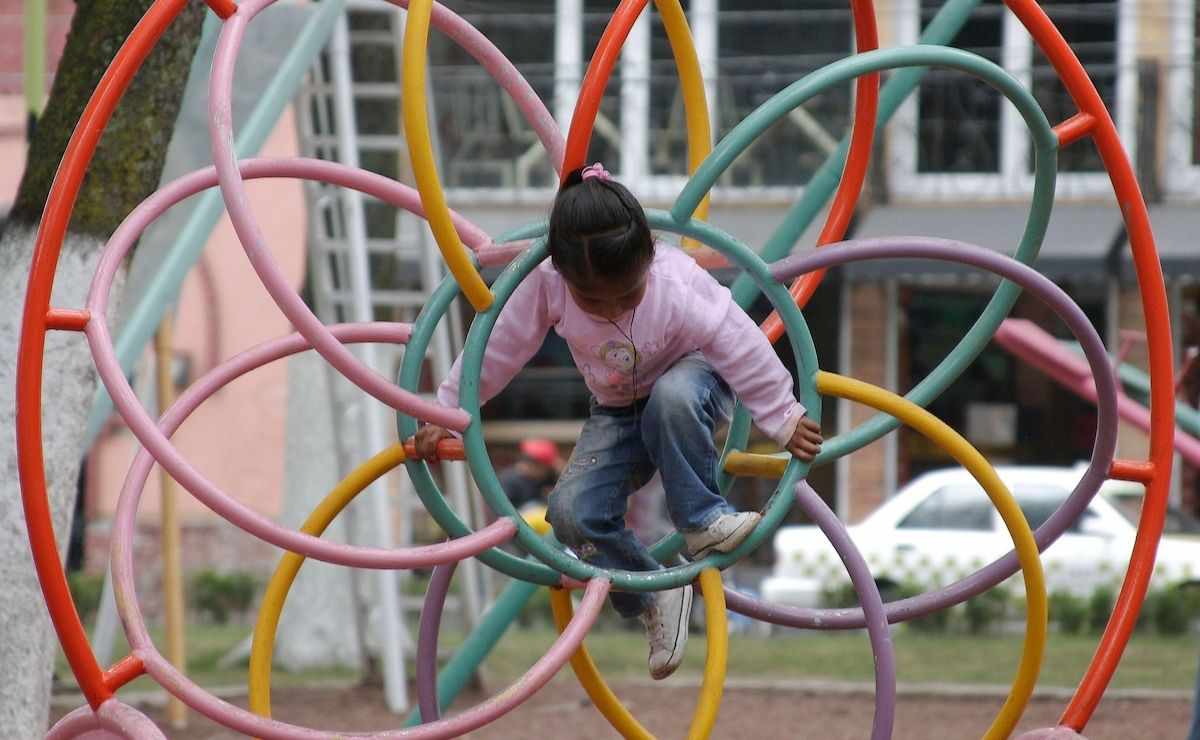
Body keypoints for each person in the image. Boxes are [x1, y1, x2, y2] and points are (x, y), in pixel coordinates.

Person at [410, 163, 822, 680]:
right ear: (562, 275)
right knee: (569, 512)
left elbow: (739, 342)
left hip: (693, 382)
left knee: (672, 395)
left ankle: (701, 521)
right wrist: (449, 414)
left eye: (628, 294)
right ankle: (655, 592)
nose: (612, 308)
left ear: (650, 257)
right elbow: (496, 350)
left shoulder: (675, 283)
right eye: (592, 300)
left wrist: (782, 414)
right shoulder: (547, 283)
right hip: (617, 410)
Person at [498, 438, 563, 513]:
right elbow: (503, 511)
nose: (546, 470)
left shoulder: (547, 478)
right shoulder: (509, 481)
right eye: (543, 466)